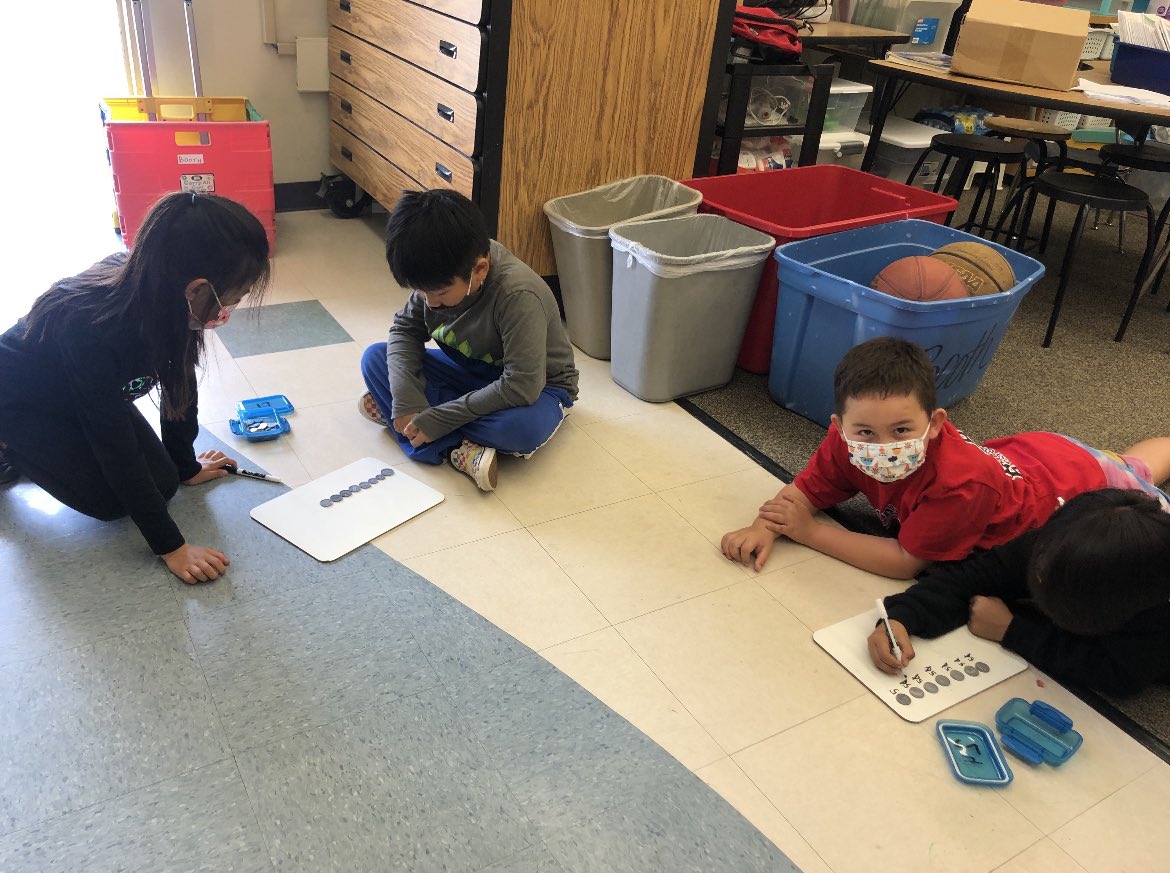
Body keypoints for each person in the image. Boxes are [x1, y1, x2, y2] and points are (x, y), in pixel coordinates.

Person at [720, 337, 1170, 579]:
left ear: (935, 423)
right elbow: (805, 491)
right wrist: (764, 527)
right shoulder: (844, 442)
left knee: (1135, 486)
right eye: (865, 433)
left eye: (901, 431)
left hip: (1073, 487)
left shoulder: (961, 484)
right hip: (1040, 455)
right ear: (838, 426)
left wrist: (809, 532)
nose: (883, 446)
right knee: (1132, 461)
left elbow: (903, 562)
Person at [0, 192, 271, 584]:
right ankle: (11, 445)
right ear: (197, 289)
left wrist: (185, 466)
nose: (234, 305)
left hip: (84, 392)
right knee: (110, 500)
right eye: (234, 296)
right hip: (21, 399)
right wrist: (171, 547)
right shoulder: (91, 326)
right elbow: (114, 447)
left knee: (161, 483)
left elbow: (182, 384)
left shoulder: (167, 294)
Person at [359, 189, 579, 491]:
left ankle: (429, 433)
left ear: (480, 270)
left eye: (437, 295)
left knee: (519, 429)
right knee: (374, 357)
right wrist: (407, 397)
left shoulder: (517, 295)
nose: (430, 304)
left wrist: (438, 416)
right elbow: (404, 331)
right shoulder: (440, 275)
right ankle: (455, 446)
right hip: (471, 375)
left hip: (538, 388)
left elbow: (522, 386)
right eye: (421, 294)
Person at [866, 489, 1170, 696]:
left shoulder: (1155, 611)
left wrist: (1013, 630)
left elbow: (1120, 674)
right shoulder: (1056, 546)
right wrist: (902, 617)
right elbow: (971, 577)